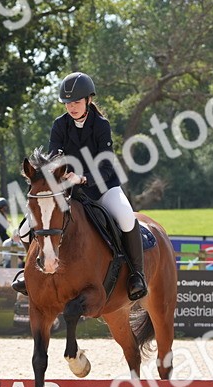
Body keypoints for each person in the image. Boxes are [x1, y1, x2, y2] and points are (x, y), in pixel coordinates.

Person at [13, 72, 147, 300]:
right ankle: (29, 273)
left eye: (76, 102)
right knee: (25, 228)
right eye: (67, 103)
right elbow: (54, 158)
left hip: (102, 187)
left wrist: (83, 178)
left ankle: (136, 275)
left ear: (88, 100)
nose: (71, 107)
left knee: (126, 217)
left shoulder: (101, 125)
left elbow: (106, 165)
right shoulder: (59, 125)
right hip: (67, 190)